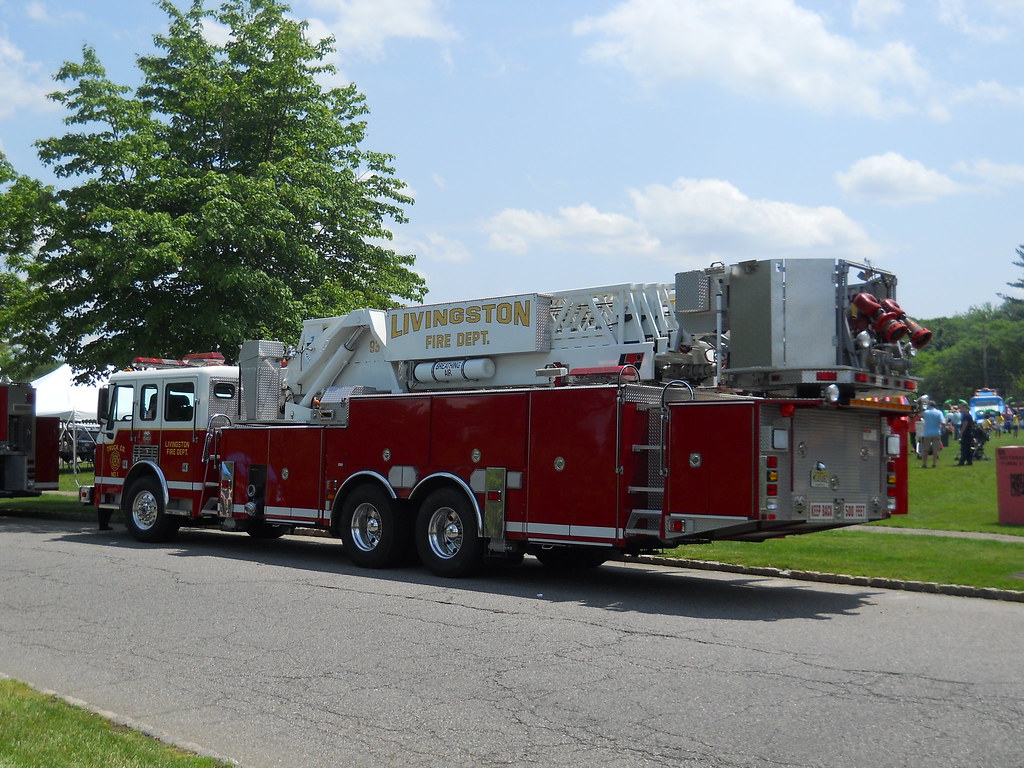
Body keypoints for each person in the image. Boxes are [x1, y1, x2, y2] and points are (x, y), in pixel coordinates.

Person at [919, 399, 946, 468]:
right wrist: (944, 429)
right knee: (935, 449)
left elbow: (921, 417)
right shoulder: (939, 412)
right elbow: (943, 422)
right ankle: (934, 463)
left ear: (929, 405)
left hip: (927, 432)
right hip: (936, 432)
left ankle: (924, 464)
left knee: (925, 449)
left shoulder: (926, 412)